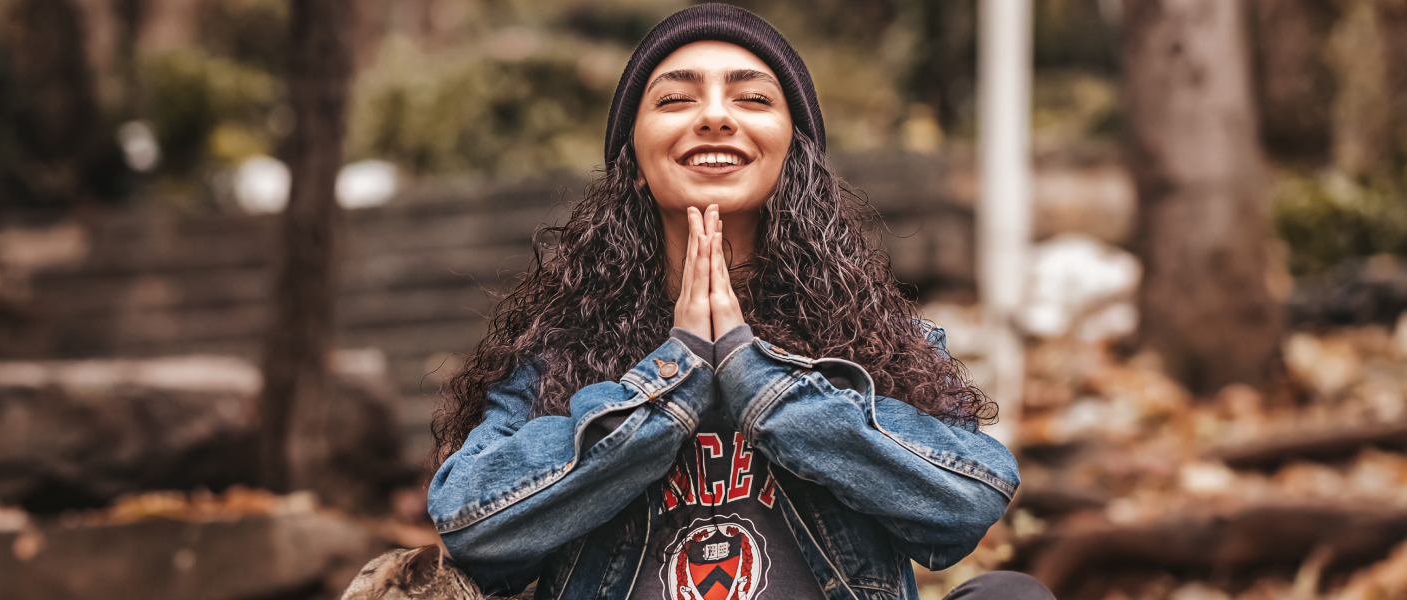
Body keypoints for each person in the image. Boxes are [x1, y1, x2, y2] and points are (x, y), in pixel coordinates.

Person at [427, 5, 1054, 600]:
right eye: (676, 99)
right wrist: (674, 376)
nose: (715, 117)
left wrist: (758, 380)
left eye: (752, 98)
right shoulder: (557, 356)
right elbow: (471, 525)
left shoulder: (880, 347)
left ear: (795, 151)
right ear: (633, 158)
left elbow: (967, 502)